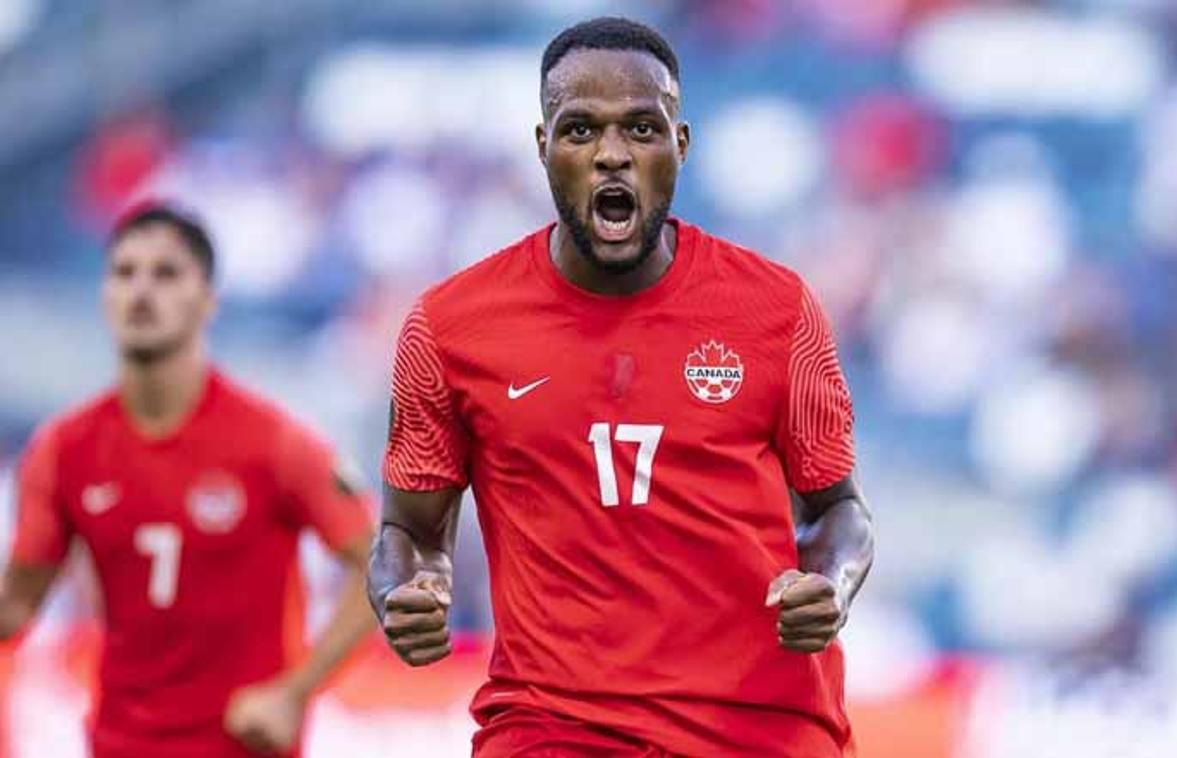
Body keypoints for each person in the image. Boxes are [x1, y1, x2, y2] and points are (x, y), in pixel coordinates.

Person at [369, 16, 875, 758]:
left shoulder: (778, 310)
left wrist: (830, 583)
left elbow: (839, 512)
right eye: (580, 131)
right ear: (543, 148)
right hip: (552, 729)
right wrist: (404, 593)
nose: (612, 155)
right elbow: (409, 532)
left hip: (756, 729)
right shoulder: (451, 328)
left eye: (642, 128)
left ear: (681, 145)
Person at [1, 204, 376, 757]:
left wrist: (296, 692)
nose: (142, 292)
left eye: (166, 274)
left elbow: (382, 566)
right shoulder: (64, 450)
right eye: (125, 273)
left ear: (209, 300)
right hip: (119, 744)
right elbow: (16, 607)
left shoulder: (274, 442)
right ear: (105, 296)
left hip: (240, 748)